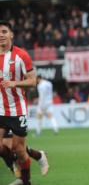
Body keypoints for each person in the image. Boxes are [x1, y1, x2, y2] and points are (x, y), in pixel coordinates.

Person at [0, 20, 35, 185]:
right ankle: (14, 165)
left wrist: (15, 83)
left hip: (17, 109)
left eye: (4, 31)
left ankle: (26, 181)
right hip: (0, 108)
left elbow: (33, 80)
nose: (1, 35)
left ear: (11, 34)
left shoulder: (22, 55)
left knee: (19, 149)